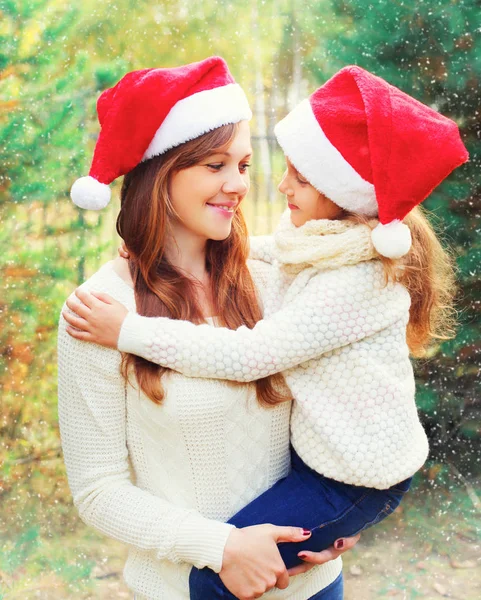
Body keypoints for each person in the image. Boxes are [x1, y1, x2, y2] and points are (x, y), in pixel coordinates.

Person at [64, 66, 469, 600]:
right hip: (191, 588)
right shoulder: (100, 313)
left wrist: (337, 517)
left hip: (312, 583)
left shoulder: (278, 279)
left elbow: (346, 396)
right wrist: (221, 548)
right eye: (216, 165)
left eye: (244, 164)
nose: (241, 184)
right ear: (159, 174)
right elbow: (98, 491)